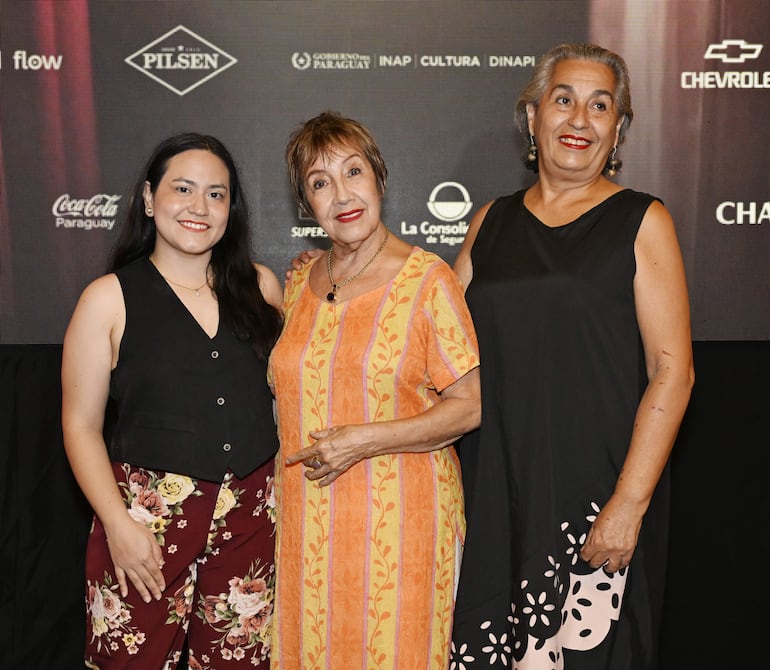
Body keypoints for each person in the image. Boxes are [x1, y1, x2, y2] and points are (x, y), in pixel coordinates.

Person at [450, 43, 694, 669]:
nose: (578, 120)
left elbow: (673, 370)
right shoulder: (488, 224)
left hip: (597, 497)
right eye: (563, 100)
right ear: (532, 117)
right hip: (492, 492)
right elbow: (439, 354)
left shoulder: (643, 220)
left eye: (600, 105)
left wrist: (629, 504)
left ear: (618, 129)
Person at [62, 133, 284, 668]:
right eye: (183, 188)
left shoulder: (262, 288)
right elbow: (79, 425)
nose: (198, 207)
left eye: (216, 194)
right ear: (147, 198)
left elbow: (282, 404)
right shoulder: (108, 298)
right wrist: (117, 524)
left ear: (232, 209)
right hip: (144, 529)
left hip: (251, 524)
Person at [268, 111, 481, 669]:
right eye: (320, 182)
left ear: (379, 176)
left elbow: (471, 404)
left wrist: (366, 440)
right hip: (306, 529)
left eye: (353, 171)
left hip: (401, 529)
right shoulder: (298, 282)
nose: (342, 194)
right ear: (306, 207)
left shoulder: (427, 279)